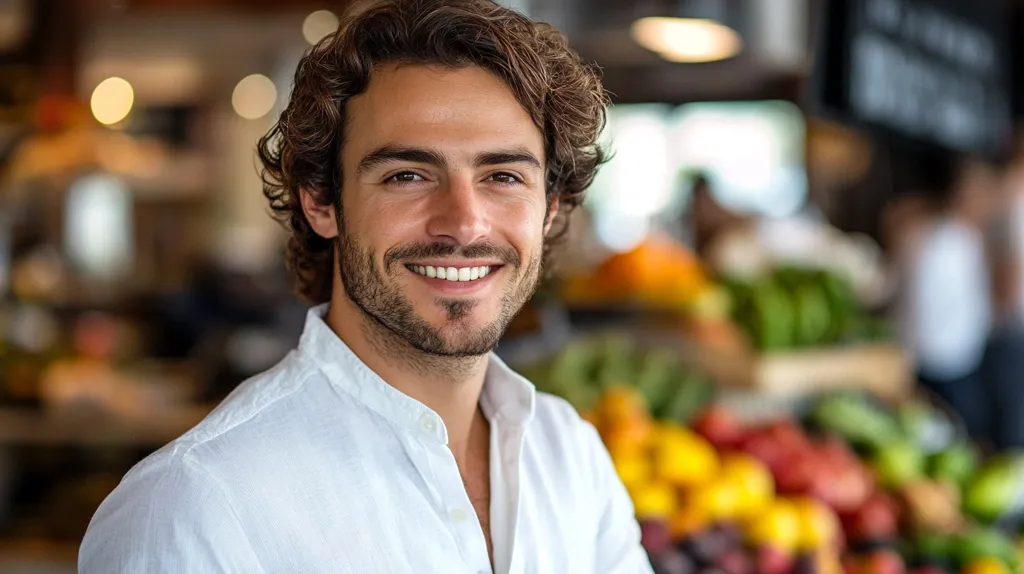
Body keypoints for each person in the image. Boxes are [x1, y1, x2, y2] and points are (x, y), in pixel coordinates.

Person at [78, 1, 652, 573]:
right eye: (407, 175)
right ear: (321, 201)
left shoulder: (572, 457)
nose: (464, 222)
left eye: (503, 176)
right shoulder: (195, 506)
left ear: (549, 210)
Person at [896, 159, 997, 442]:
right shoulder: (958, 241)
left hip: (920, 357)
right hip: (950, 363)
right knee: (955, 437)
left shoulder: (916, 231)